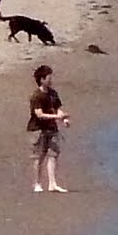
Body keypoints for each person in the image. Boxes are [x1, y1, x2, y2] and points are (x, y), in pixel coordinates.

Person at [29, 64, 69, 193]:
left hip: (52, 128)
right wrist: (57, 116)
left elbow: (57, 108)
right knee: (39, 156)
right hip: (38, 129)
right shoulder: (36, 96)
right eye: (48, 77)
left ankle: (52, 183)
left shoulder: (53, 93)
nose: (51, 80)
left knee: (54, 153)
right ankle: (37, 183)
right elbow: (39, 114)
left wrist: (64, 119)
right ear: (42, 79)